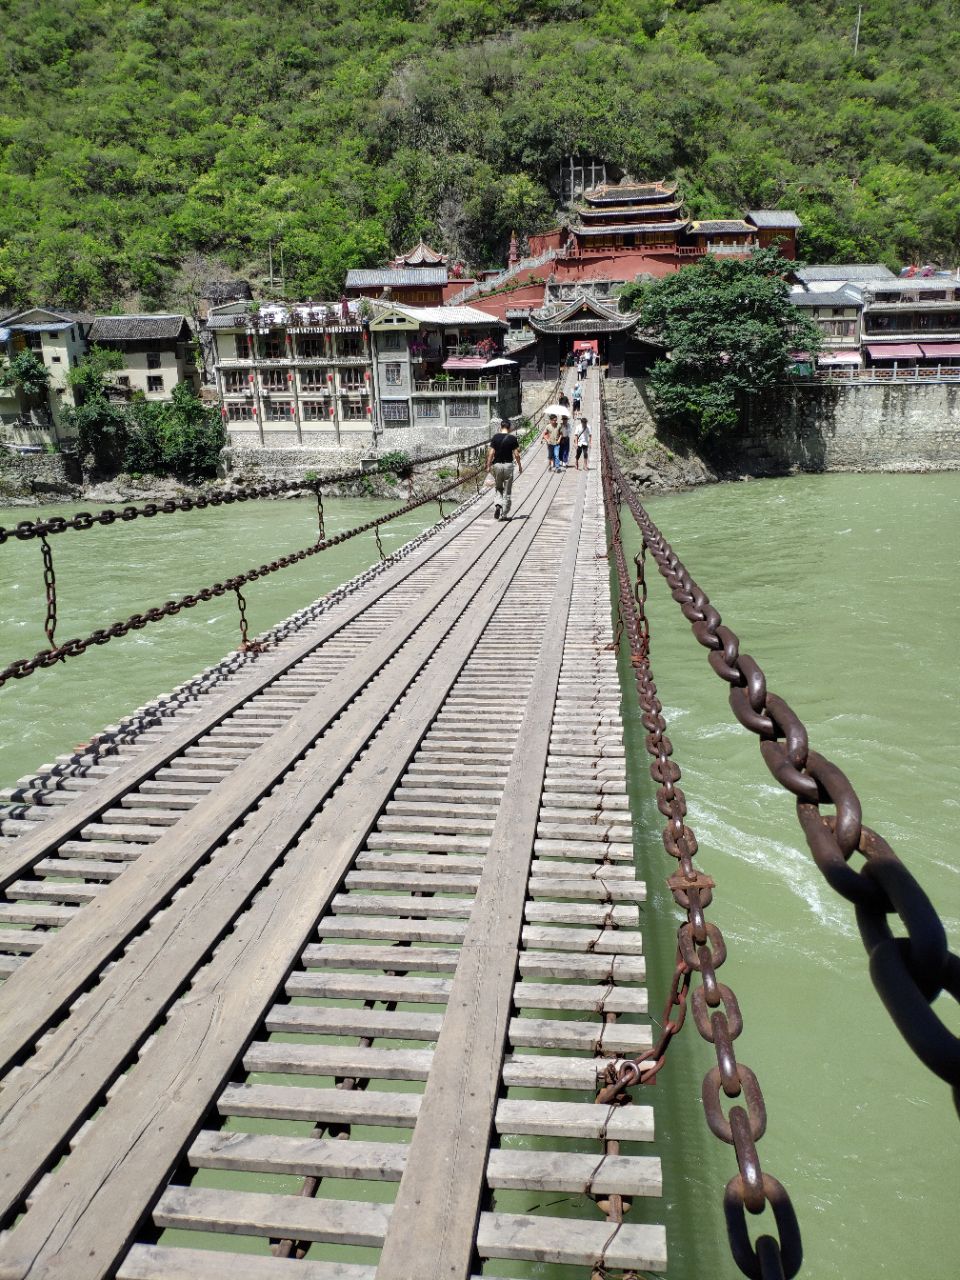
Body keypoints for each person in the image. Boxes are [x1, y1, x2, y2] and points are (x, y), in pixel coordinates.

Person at [486, 418, 522, 519]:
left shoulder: (495, 437)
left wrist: (488, 465)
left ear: (500, 427)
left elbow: (491, 453)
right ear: (509, 428)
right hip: (508, 466)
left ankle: (498, 504)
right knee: (507, 490)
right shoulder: (512, 438)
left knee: (498, 487)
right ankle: (504, 514)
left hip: (497, 465)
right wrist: (519, 466)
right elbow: (516, 454)